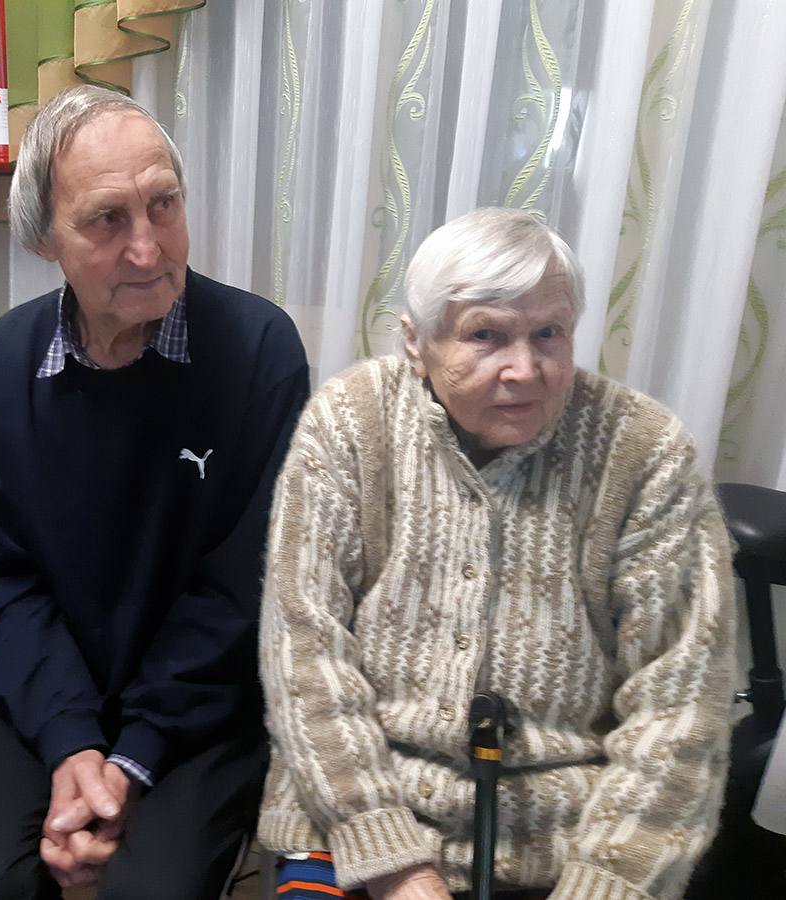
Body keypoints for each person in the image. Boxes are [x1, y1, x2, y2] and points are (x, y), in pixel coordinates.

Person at [0, 85, 310, 900]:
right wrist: (71, 742)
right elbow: (2, 583)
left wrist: (132, 757)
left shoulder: (258, 350)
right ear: (46, 239)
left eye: (163, 205)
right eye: (107, 219)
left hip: (201, 704)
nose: (147, 247)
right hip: (49, 689)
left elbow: (244, 588)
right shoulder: (2, 368)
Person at [257, 208, 736, 900]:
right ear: (416, 343)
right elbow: (304, 652)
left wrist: (608, 881)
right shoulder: (351, 423)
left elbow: (682, 706)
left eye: (549, 334)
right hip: (349, 814)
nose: (524, 369)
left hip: (564, 838)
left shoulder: (646, 453)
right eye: (485, 335)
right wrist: (394, 862)